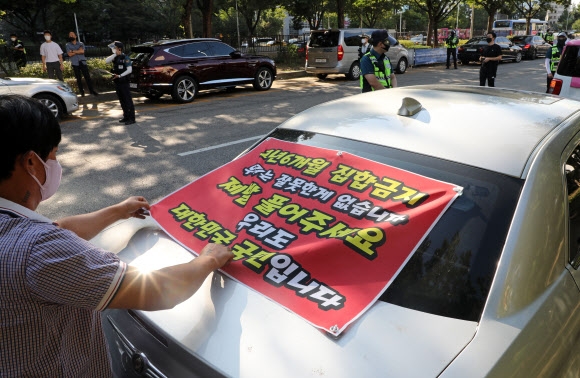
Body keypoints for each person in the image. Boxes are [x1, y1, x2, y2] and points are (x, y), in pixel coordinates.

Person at [0, 94, 234, 377]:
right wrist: (208, 260)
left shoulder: (17, 232)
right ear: (32, 164)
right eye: (53, 156)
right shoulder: (39, 249)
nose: (55, 164)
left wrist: (118, 211)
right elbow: (157, 291)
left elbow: (57, 229)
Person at [106, 41, 135, 125]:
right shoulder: (116, 57)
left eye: (114, 48)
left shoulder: (125, 58)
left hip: (124, 82)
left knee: (127, 100)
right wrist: (115, 54)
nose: (113, 49)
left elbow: (129, 70)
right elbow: (106, 61)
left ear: (119, 49)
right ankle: (126, 116)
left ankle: (131, 118)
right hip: (118, 82)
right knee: (122, 100)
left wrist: (120, 75)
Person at [66, 31, 98, 97]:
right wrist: (77, 51)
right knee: (78, 78)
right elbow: (69, 54)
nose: (71, 36)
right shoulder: (68, 45)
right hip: (75, 63)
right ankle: (82, 92)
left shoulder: (80, 44)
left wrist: (73, 51)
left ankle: (91, 91)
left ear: (75, 36)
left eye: (72, 35)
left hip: (82, 61)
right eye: (70, 35)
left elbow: (82, 51)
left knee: (87, 77)